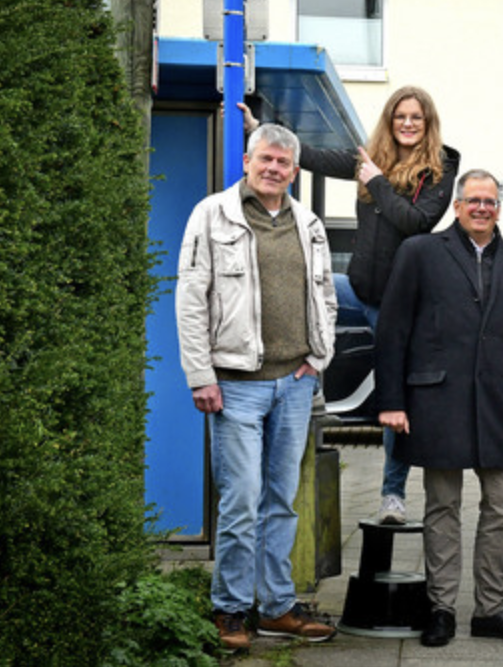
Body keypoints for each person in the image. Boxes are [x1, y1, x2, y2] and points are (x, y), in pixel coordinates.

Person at [241, 87, 459, 523]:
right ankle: (309, 385)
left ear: (428, 121)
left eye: (416, 117)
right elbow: (313, 157)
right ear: (390, 119)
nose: (408, 124)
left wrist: (376, 182)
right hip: (359, 287)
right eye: (401, 116)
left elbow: (416, 222)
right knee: (304, 287)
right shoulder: (369, 156)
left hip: (399, 303)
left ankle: (392, 496)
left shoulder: (440, 168)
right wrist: (260, 135)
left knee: (394, 396)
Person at [175, 124, 338, 651]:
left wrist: (318, 357)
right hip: (236, 385)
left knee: (282, 501)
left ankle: (276, 607)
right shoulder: (212, 214)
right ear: (248, 161)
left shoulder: (308, 222)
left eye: (283, 163)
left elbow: (326, 296)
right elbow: (191, 298)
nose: (274, 169)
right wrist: (200, 375)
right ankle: (229, 609)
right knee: (242, 500)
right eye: (266, 159)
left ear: (294, 170)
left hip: (293, 385)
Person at [373, 169, 503, 647]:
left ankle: (490, 609)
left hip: (496, 406)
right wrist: (391, 401)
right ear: (456, 206)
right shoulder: (420, 253)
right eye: (473, 200)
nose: (482, 208)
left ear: (499, 208)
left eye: (490, 202)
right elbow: (392, 331)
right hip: (436, 402)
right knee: (442, 507)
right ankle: (442, 608)